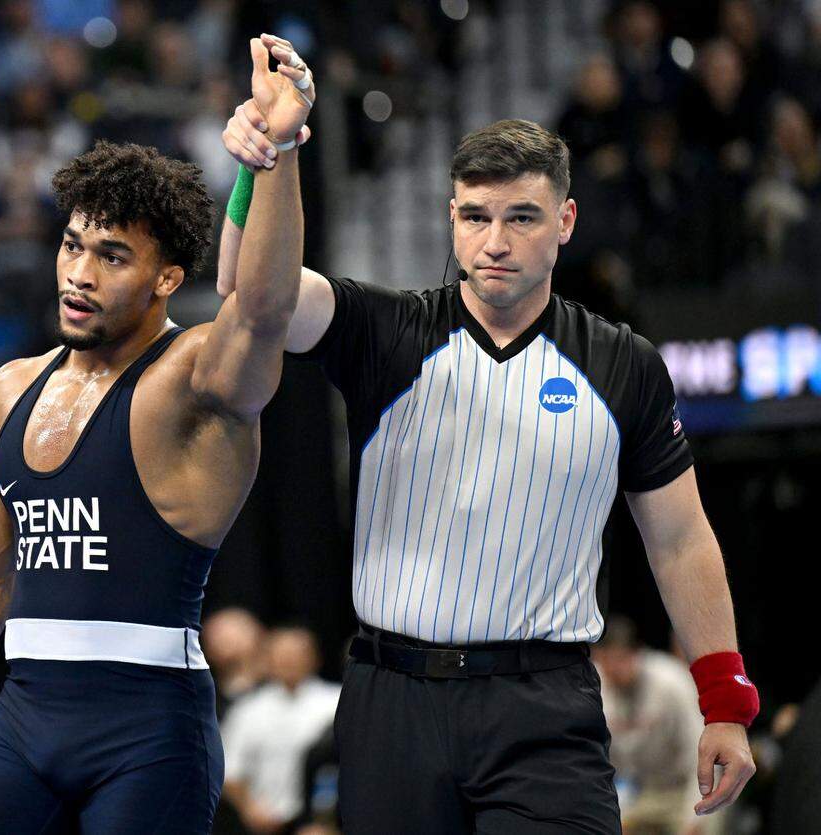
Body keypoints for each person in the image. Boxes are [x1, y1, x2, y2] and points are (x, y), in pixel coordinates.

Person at [221, 52, 759, 832]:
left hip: (544, 710)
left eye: (521, 217)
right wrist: (271, 155)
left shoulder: (624, 364)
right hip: (391, 702)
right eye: (475, 216)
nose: (494, 241)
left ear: (565, 221)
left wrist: (725, 701)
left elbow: (679, 540)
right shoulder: (386, 330)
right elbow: (253, 297)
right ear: (450, 217)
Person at [0, 34, 315, 833]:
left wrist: (271, 152)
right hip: (24, 722)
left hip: (151, 736)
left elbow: (265, 309)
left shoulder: (196, 378)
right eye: (73, 246)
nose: (78, 274)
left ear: (166, 278)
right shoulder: (11, 390)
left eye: (111, 256)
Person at [221, 626, 340, 834]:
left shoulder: (336, 703)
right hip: (263, 822)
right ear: (267, 660)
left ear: (313, 658)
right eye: (281, 655)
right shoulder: (247, 709)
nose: (288, 661)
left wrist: (328, 823)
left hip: (323, 822)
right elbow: (229, 768)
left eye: (295, 655)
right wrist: (249, 808)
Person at [593, 616, 704, 834]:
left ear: (637, 654)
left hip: (684, 789)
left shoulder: (672, 682)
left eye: (620, 659)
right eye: (606, 660)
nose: (613, 669)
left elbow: (699, 750)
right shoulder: (594, 686)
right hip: (641, 792)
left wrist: (695, 818)